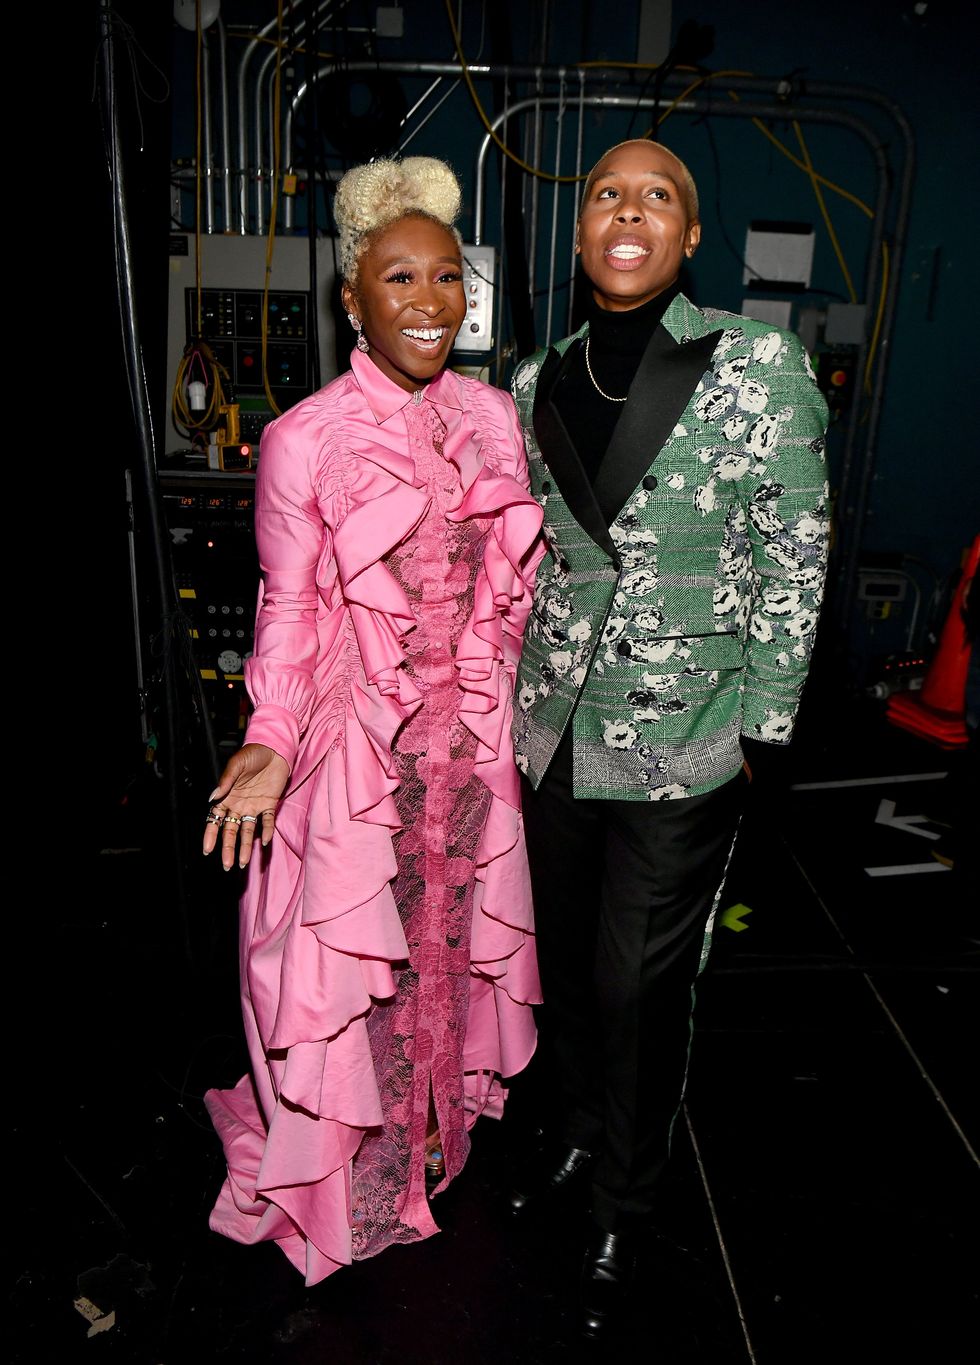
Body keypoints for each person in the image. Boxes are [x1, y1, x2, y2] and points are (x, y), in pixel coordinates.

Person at [507, 138, 830, 1340]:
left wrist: (763, 724)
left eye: (656, 196)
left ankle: (624, 1202)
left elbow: (796, 548)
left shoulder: (755, 365)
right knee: (567, 968)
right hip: (554, 733)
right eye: (603, 193)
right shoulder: (536, 374)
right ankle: (583, 1138)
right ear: (580, 230)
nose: (626, 212)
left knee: (636, 982)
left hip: (684, 731)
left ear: (689, 238)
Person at [201, 155, 545, 1285]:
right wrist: (268, 738)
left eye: (446, 278)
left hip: (462, 750)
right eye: (399, 279)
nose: (428, 302)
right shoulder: (304, 437)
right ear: (352, 298)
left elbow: (509, 593)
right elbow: (292, 606)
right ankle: (353, 1177)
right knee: (352, 973)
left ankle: (428, 1137)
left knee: (445, 952)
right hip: (352, 752)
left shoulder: (494, 417)